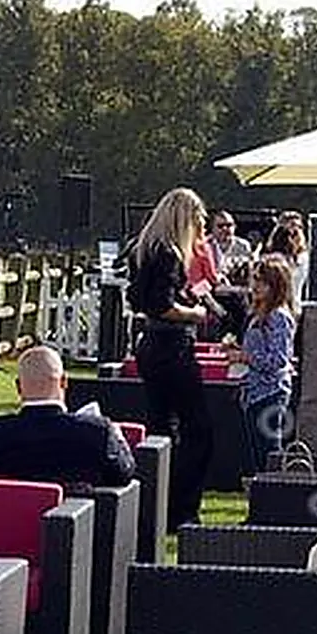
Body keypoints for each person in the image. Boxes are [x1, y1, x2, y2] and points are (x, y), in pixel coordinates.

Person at [128, 187, 217, 531]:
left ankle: (158, 506)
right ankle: (183, 509)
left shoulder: (144, 249)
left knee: (161, 428)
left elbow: (140, 299)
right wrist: (195, 314)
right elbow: (162, 305)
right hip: (172, 346)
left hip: (151, 345)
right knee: (198, 429)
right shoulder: (168, 254)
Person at [0, 346, 136, 490]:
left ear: (18, 387)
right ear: (64, 382)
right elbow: (124, 473)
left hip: (9, 518)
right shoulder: (97, 431)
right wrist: (117, 435)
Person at [227, 255, 298, 473]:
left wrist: (245, 357)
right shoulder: (259, 313)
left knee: (269, 455)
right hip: (254, 392)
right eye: (256, 279)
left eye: (264, 281)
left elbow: (278, 360)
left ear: (277, 286)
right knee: (258, 457)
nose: (256, 285)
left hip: (271, 393)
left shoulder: (279, 317)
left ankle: (275, 491)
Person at [265, 213, 309, 306]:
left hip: (294, 306)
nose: (296, 230)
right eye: (292, 226)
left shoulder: (304, 258)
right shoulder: (270, 259)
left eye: (299, 227)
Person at [208, 211, 253, 283]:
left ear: (235, 227)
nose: (225, 229)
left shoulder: (243, 245)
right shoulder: (206, 245)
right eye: (220, 226)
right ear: (213, 228)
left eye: (229, 225)